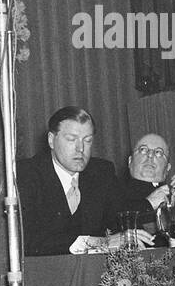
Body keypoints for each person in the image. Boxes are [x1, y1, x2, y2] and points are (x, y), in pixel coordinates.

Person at [16, 107, 118, 256]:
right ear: (51, 140)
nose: (80, 148)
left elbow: (119, 220)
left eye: (87, 140)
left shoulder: (102, 172)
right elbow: (29, 241)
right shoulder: (26, 174)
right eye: (71, 139)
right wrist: (99, 242)